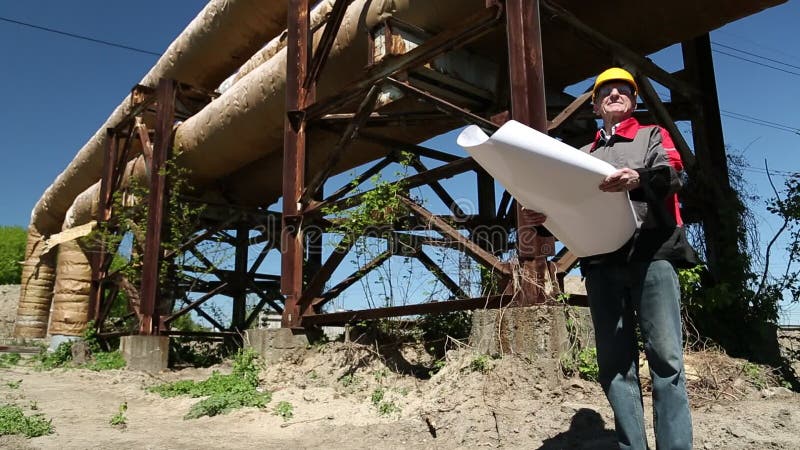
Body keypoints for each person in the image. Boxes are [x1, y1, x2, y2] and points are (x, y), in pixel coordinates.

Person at [529, 67, 698, 450]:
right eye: (607, 91)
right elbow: (568, 210)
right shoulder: (582, 155)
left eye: (624, 90)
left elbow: (673, 176)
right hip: (602, 266)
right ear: (594, 104)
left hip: (651, 257)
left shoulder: (651, 135)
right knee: (614, 365)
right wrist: (546, 220)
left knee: (666, 361)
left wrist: (637, 178)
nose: (616, 94)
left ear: (634, 101)